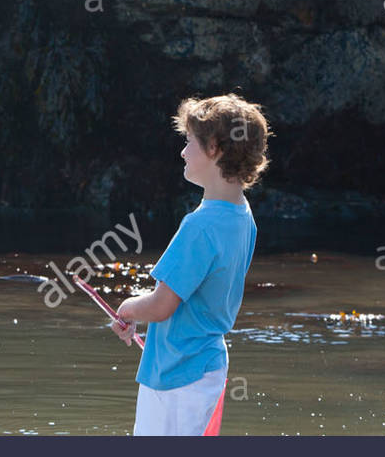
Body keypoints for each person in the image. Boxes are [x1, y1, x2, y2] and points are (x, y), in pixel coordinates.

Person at [113, 94, 268, 436]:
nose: (183, 151)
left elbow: (161, 306)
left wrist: (126, 309)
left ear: (213, 147)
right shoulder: (244, 217)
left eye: (189, 142)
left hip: (175, 374)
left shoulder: (199, 227)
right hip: (208, 367)